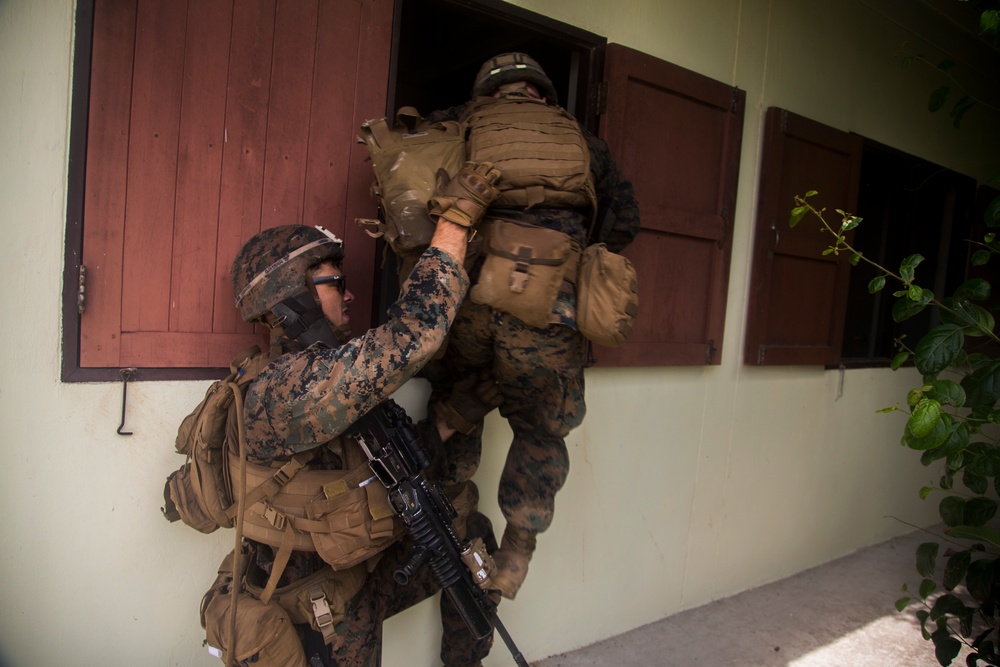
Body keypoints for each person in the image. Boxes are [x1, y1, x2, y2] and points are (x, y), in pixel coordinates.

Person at [217, 161, 504, 666]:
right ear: (292, 298)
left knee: (471, 534)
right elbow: (414, 336)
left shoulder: (323, 372)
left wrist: (450, 420)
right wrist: (456, 223)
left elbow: (379, 463)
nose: (348, 293)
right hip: (316, 598)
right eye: (334, 282)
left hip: (353, 564)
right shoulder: (285, 389)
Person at [421, 52, 641, 601]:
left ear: (486, 90)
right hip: (550, 311)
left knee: (458, 404)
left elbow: (413, 193)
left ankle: (452, 522)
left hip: (470, 300)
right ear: (541, 92)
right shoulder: (582, 141)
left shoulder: (457, 121)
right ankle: (515, 552)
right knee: (541, 430)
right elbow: (626, 220)